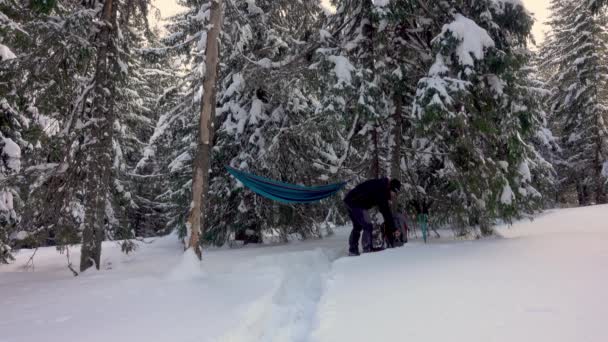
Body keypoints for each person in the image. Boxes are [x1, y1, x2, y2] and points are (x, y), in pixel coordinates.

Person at [344, 178, 401, 256]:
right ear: (391, 188)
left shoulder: (381, 185)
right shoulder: (382, 190)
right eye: (394, 192)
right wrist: (394, 229)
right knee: (367, 225)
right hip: (355, 203)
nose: (394, 195)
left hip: (350, 201)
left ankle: (353, 250)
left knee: (357, 226)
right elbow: (386, 212)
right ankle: (367, 249)